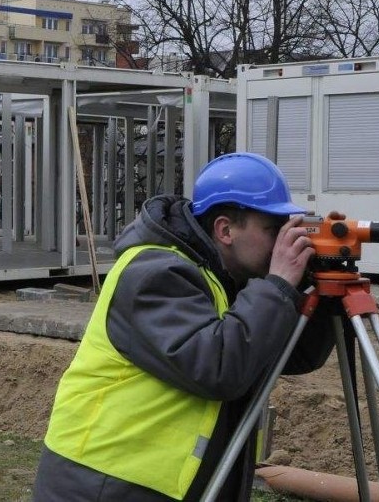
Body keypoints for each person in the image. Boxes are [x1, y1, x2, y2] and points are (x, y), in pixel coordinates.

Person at [33, 152, 335, 502]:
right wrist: (277, 285)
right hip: (103, 484)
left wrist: (321, 289)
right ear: (225, 230)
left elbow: (293, 353)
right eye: (272, 230)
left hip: (154, 486)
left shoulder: (223, 277)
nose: (281, 241)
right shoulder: (155, 274)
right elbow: (220, 368)